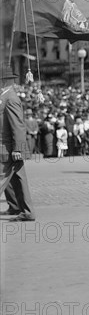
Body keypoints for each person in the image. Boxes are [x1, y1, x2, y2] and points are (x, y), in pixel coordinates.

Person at [0, 66, 35, 221]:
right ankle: (25, 211)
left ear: (4, 81)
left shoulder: (11, 98)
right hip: (7, 147)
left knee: (2, 178)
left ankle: (26, 211)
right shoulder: (5, 97)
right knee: (18, 180)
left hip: (9, 148)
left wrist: (18, 149)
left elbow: (18, 125)